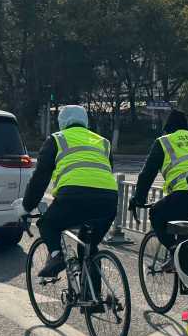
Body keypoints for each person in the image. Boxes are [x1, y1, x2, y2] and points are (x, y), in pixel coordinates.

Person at [21, 105, 119, 285]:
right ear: (85, 121)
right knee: (89, 247)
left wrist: (26, 206)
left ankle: (56, 256)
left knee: (47, 224)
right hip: (108, 199)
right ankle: (93, 297)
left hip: (73, 197)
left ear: (61, 122)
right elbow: (107, 169)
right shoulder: (103, 141)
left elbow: (40, 178)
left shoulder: (57, 139)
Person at [129, 109, 188, 251]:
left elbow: (148, 173)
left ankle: (174, 252)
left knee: (157, 213)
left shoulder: (164, 141)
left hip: (186, 192)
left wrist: (138, 198)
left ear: (167, 129)